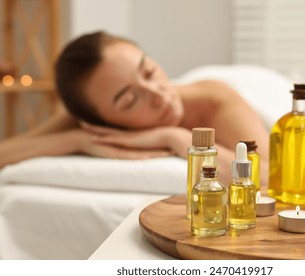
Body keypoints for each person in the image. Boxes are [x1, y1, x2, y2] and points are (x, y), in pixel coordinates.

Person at [0, 31, 269, 186]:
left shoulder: (213, 99)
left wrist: (175, 137)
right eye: (129, 101)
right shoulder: (87, 119)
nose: (158, 95)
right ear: (103, 121)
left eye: (149, 71)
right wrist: (78, 140)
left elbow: (271, 178)